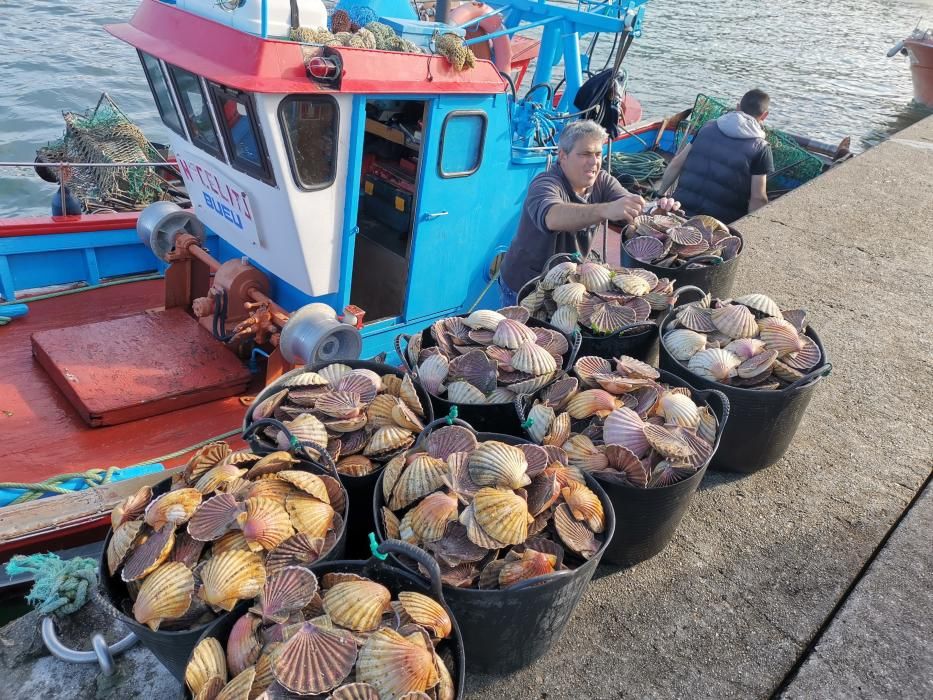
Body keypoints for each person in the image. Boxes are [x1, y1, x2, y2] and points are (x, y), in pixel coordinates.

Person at [498, 120, 678, 306]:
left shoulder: (603, 181)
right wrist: (606, 209)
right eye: (585, 154)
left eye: (598, 154)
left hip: (567, 283)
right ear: (562, 156)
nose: (594, 162)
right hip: (524, 285)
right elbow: (552, 217)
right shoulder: (545, 184)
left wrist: (657, 210)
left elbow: (632, 207)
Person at [658, 89, 775, 224]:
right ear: (764, 116)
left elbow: (677, 163)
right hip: (717, 225)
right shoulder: (761, 148)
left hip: (679, 210)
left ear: (738, 107)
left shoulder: (708, 126)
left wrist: (660, 194)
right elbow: (758, 198)